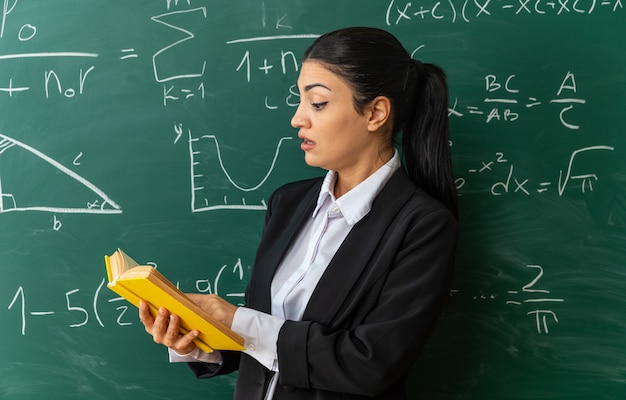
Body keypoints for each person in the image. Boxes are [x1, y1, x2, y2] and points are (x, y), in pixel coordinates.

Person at [139, 26, 458, 399]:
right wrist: (195, 340)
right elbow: (266, 345)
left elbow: (370, 364)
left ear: (375, 113)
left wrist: (237, 320)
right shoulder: (287, 204)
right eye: (300, 101)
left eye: (317, 103)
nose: (297, 119)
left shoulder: (423, 225)